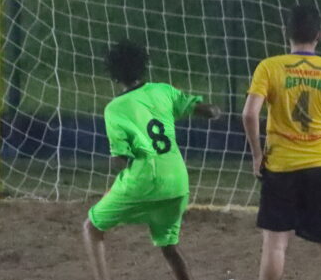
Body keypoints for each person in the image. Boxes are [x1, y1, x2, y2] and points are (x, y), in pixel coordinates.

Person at [83, 40, 221, 280]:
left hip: (144, 181)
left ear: (114, 76)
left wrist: (120, 187)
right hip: (178, 182)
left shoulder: (115, 109)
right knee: (168, 247)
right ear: (143, 67)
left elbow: (120, 159)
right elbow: (205, 110)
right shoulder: (163, 91)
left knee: (92, 228)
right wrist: (213, 110)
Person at [242, 4, 321, 280]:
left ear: (287, 34)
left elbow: (249, 114)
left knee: (275, 242)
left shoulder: (269, 67)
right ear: (320, 35)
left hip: (281, 166)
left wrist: (257, 155)